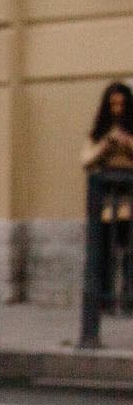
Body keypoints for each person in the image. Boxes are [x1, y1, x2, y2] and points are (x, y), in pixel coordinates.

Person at [79, 80, 133, 349]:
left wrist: (127, 143)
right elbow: (85, 160)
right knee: (103, 257)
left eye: (122, 104)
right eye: (113, 104)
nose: (117, 109)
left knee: (130, 256)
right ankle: (103, 302)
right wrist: (106, 144)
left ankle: (128, 301)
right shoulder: (99, 133)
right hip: (105, 208)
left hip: (129, 207)